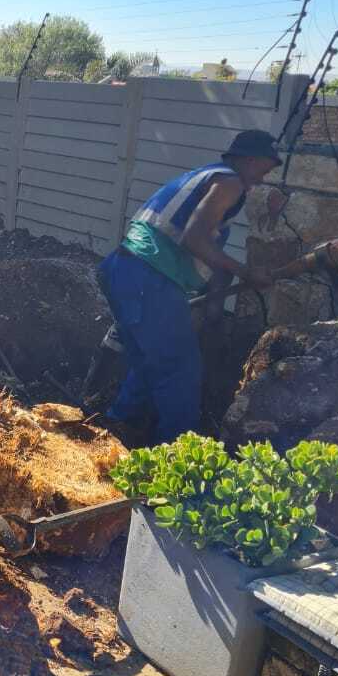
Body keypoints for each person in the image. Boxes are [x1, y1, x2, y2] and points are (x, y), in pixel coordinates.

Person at [97, 128, 281, 443]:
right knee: (180, 373)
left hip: (123, 270)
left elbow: (205, 249)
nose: (262, 179)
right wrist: (247, 273)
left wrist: (214, 310)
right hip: (149, 277)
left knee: (146, 362)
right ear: (250, 160)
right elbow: (193, 238)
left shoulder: (204, 177)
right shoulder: (230, 183)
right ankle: (176, 462)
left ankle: (115, 428)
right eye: (264, 170)